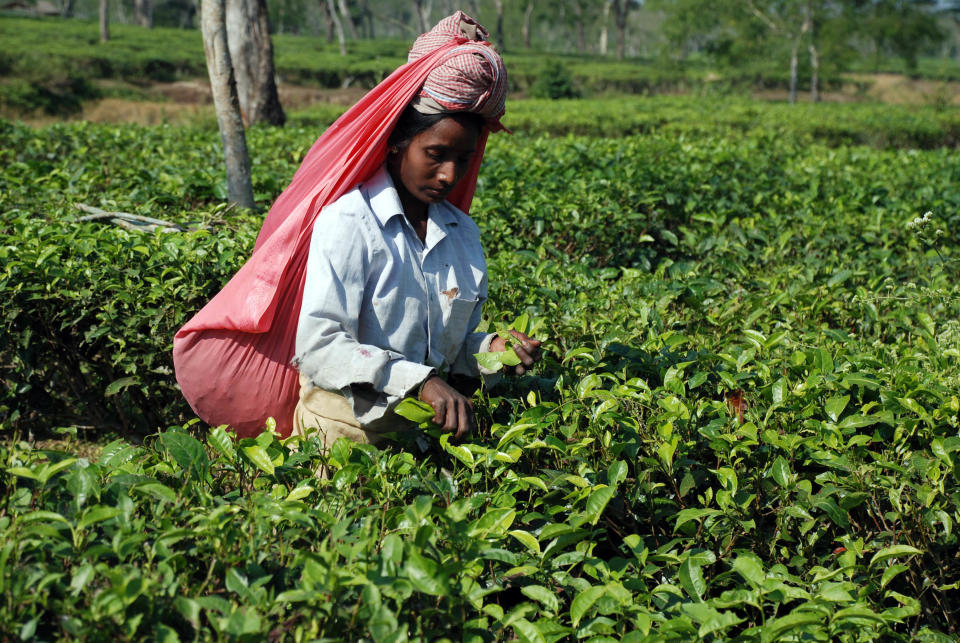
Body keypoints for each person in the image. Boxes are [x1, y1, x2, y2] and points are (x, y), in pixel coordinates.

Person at [173, 12, 540, 442]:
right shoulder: (351, 222)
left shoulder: (461, 234)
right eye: (436, 154)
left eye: (463, 159)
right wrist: (419, 381)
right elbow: (320, 347)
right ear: (398, 142)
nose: (448, 175)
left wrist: (491, 350)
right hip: (343, 441)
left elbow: (446, 349)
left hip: (427, 440)